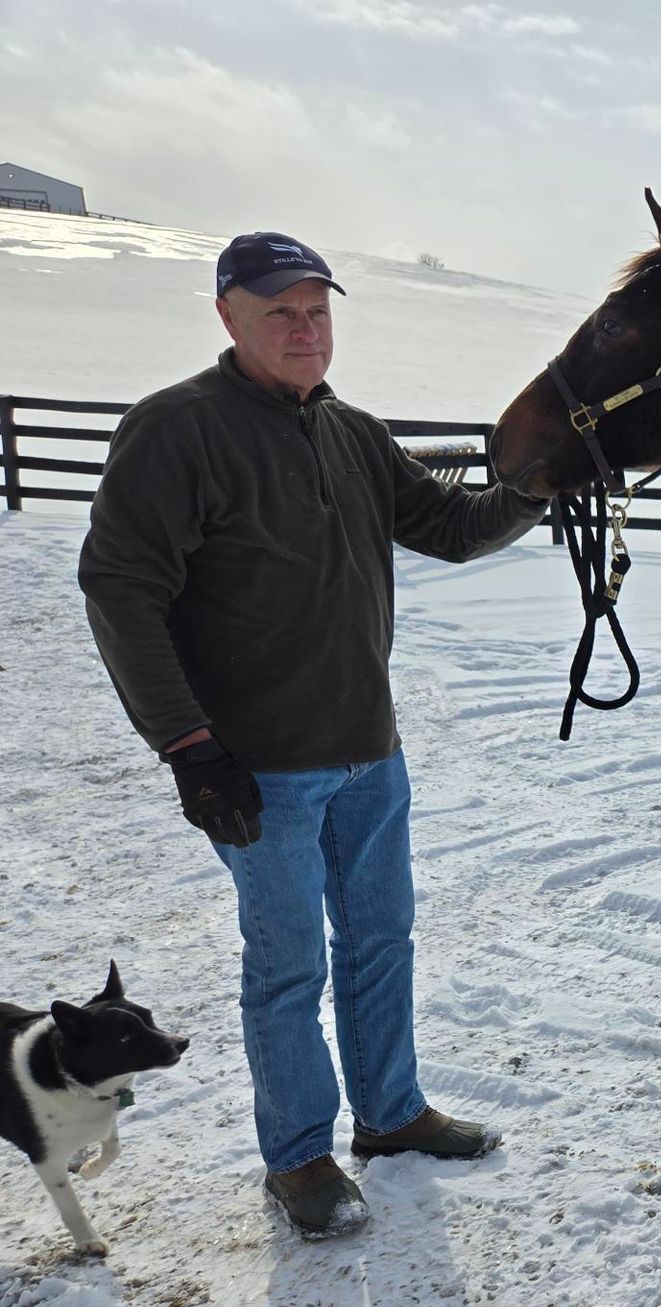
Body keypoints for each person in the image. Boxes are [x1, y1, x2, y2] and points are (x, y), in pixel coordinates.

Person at [78, 231, 550, 1236]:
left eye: (317, 311)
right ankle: (298, 1159)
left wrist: (538, 490)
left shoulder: (355, 435)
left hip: (369, 753)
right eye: (280, 311)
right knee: (287, 965)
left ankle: (391, 1114)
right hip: (260, 770)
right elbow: (118, 588)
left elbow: (457, 528)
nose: (304, 329)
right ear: (229, 317)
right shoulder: (177, 430)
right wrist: (188, 745)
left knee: (382, 940)